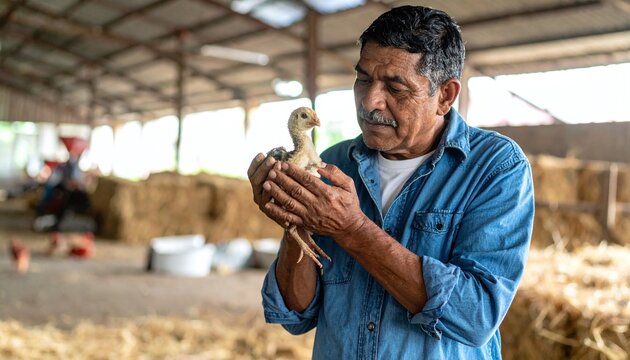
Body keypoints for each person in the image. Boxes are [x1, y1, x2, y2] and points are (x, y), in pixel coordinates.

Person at [248, 5, 534, 359]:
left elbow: (475, 315)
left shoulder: (494, 168)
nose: (370, 101)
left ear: (445, 95)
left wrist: (351, 229)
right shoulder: (333, 163)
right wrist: (296, 226)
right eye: (364, 79)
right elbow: (296, 313)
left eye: (395, 88)